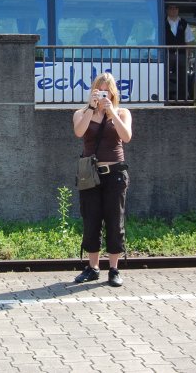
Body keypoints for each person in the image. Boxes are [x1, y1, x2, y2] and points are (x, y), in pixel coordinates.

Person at [72, 72, 133, 287]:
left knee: (115, 221)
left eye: (107, 90)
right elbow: (79, 132)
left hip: (115, 173)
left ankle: (114, 269)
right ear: (93, 91)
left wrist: (111, 113)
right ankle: (93, 267)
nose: (103, 93)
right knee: (91, 220)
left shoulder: (123, 113)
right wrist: (91, 108)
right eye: (99, 89)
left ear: (113, 92)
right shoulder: (81, 112)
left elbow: (126, 137)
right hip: (91, 174)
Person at [165, 4, 195, 101]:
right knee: (165, 76)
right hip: (167, 55)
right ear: (167, 10)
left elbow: (189, 41)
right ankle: (166, 98)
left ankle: (182, 100)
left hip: (181, 55)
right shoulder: (162, 22)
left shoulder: (184, 23)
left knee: (182, 78)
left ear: (178, 10)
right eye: (171, 8)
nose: (173, 10)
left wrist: (188, 56)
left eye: (175, 8)